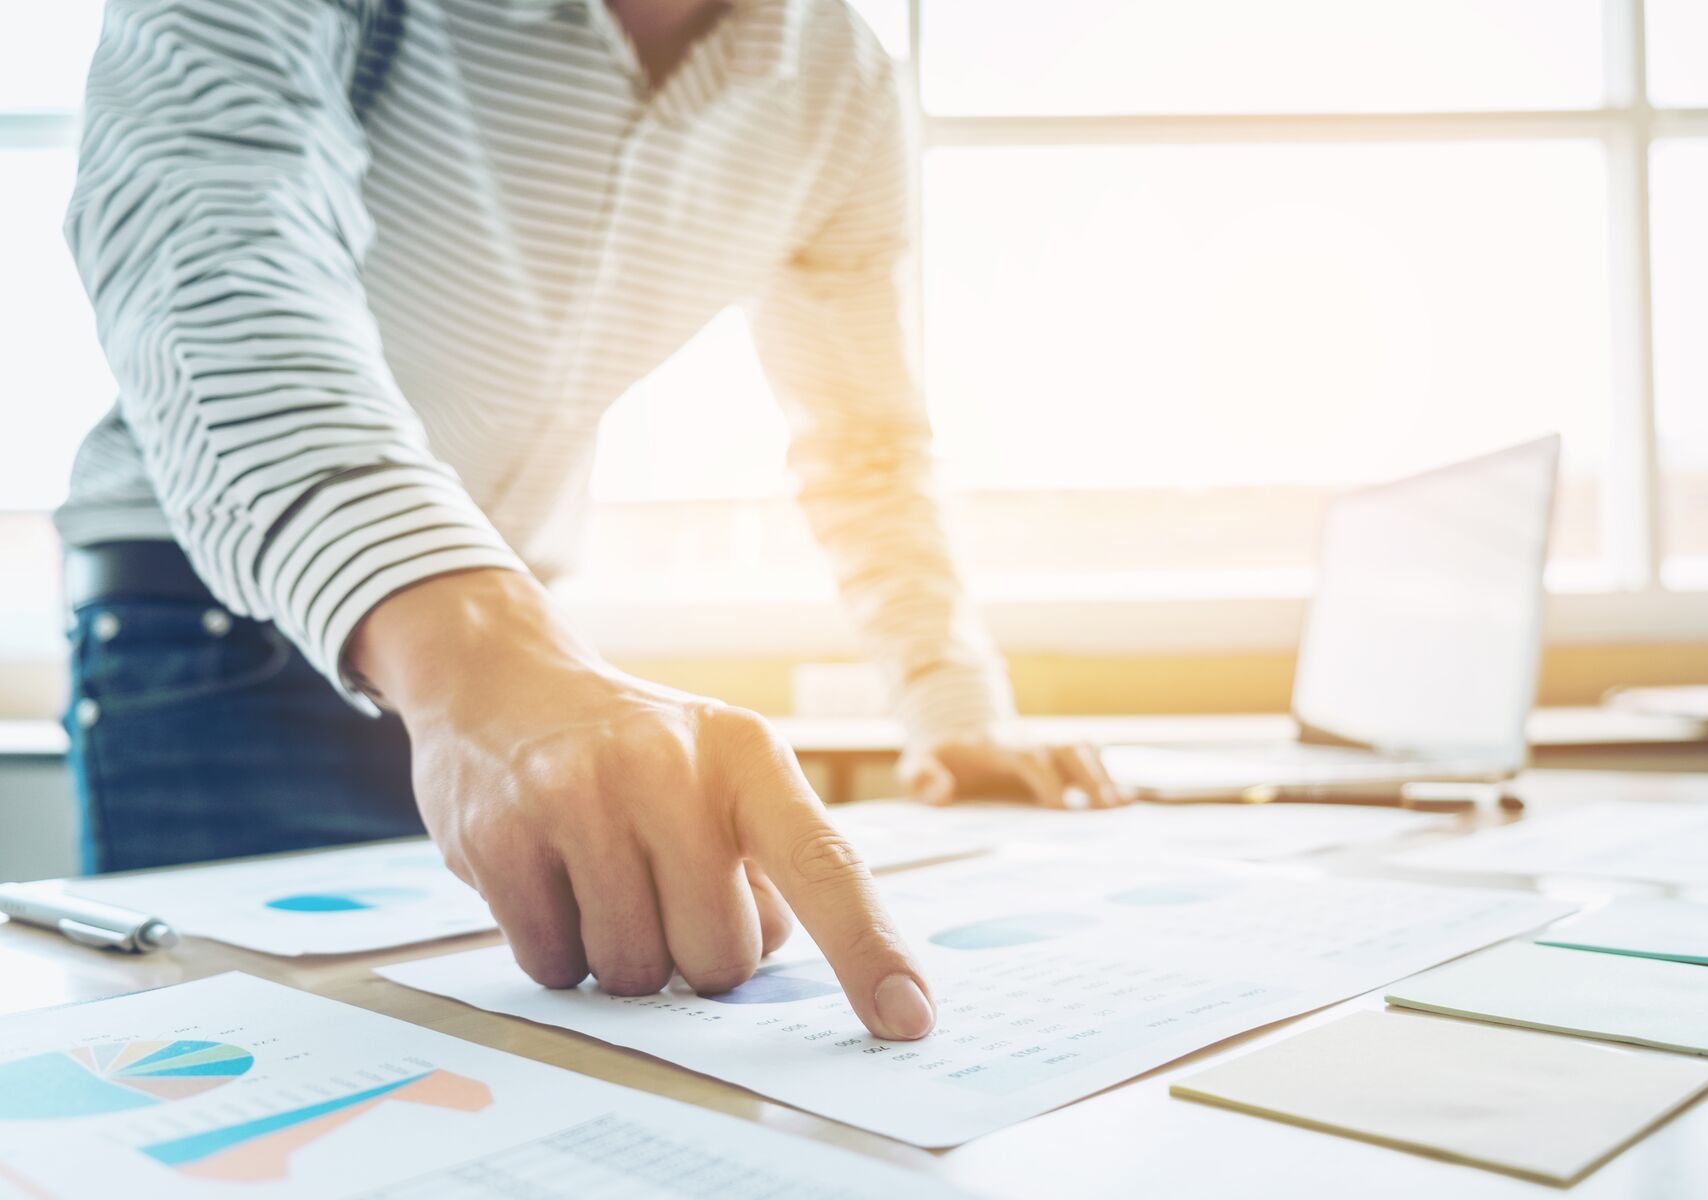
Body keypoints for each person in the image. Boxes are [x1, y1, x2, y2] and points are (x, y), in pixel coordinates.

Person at [57, 0, 1124, 1042]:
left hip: (519, 680)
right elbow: (208, 238)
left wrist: (956, 708)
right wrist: (470, 647)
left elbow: (864, 438)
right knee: (239, 1097)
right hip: (209, 636)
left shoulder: (840, 83)